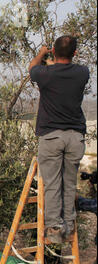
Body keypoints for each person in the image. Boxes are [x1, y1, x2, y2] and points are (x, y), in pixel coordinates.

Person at [29, 35, 90, 243]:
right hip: (75, 137)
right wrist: (54, 57)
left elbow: (32, 67)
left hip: (52, 136)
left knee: (53, 184)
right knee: (69, 182)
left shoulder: (45, 74)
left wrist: (41, 53)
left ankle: (55, 230)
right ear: (75, 53)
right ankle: (70, 225)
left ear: (53, 52)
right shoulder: (83, 73)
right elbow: (63, 68)